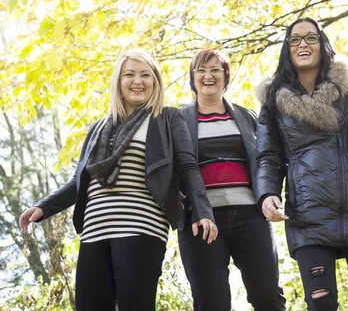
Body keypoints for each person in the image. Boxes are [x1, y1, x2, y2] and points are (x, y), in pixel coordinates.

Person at [18, 49, 217, 311]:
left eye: (146, 75)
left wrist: (203, 211)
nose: (138, 81)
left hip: (141, 227)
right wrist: (43, 207)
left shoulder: (166, 118)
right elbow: (80, 180)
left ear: (155, 81)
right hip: (94, 230)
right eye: (130, 75)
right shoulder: (99, 127)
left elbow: (189, 167)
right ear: (118, 82)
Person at [255, 17, 348, 311]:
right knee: (321, 304)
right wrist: (267, 194)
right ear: (287, 48)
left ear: (322, 43)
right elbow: (268, 156)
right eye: (295, 39)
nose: (303, 44)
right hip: (306, 210)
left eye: (310, 38)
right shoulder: (273, 100)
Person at [178, 48, 286, 311]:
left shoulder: (247, 116)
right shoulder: (177, 120)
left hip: (250, 216)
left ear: (226, 77)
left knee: (268, 296)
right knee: (210, 302)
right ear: (192, 78)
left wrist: (270, 196)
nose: (208, 75)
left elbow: (268, 159)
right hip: (201, 222)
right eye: (201, 70)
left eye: (216, 70)